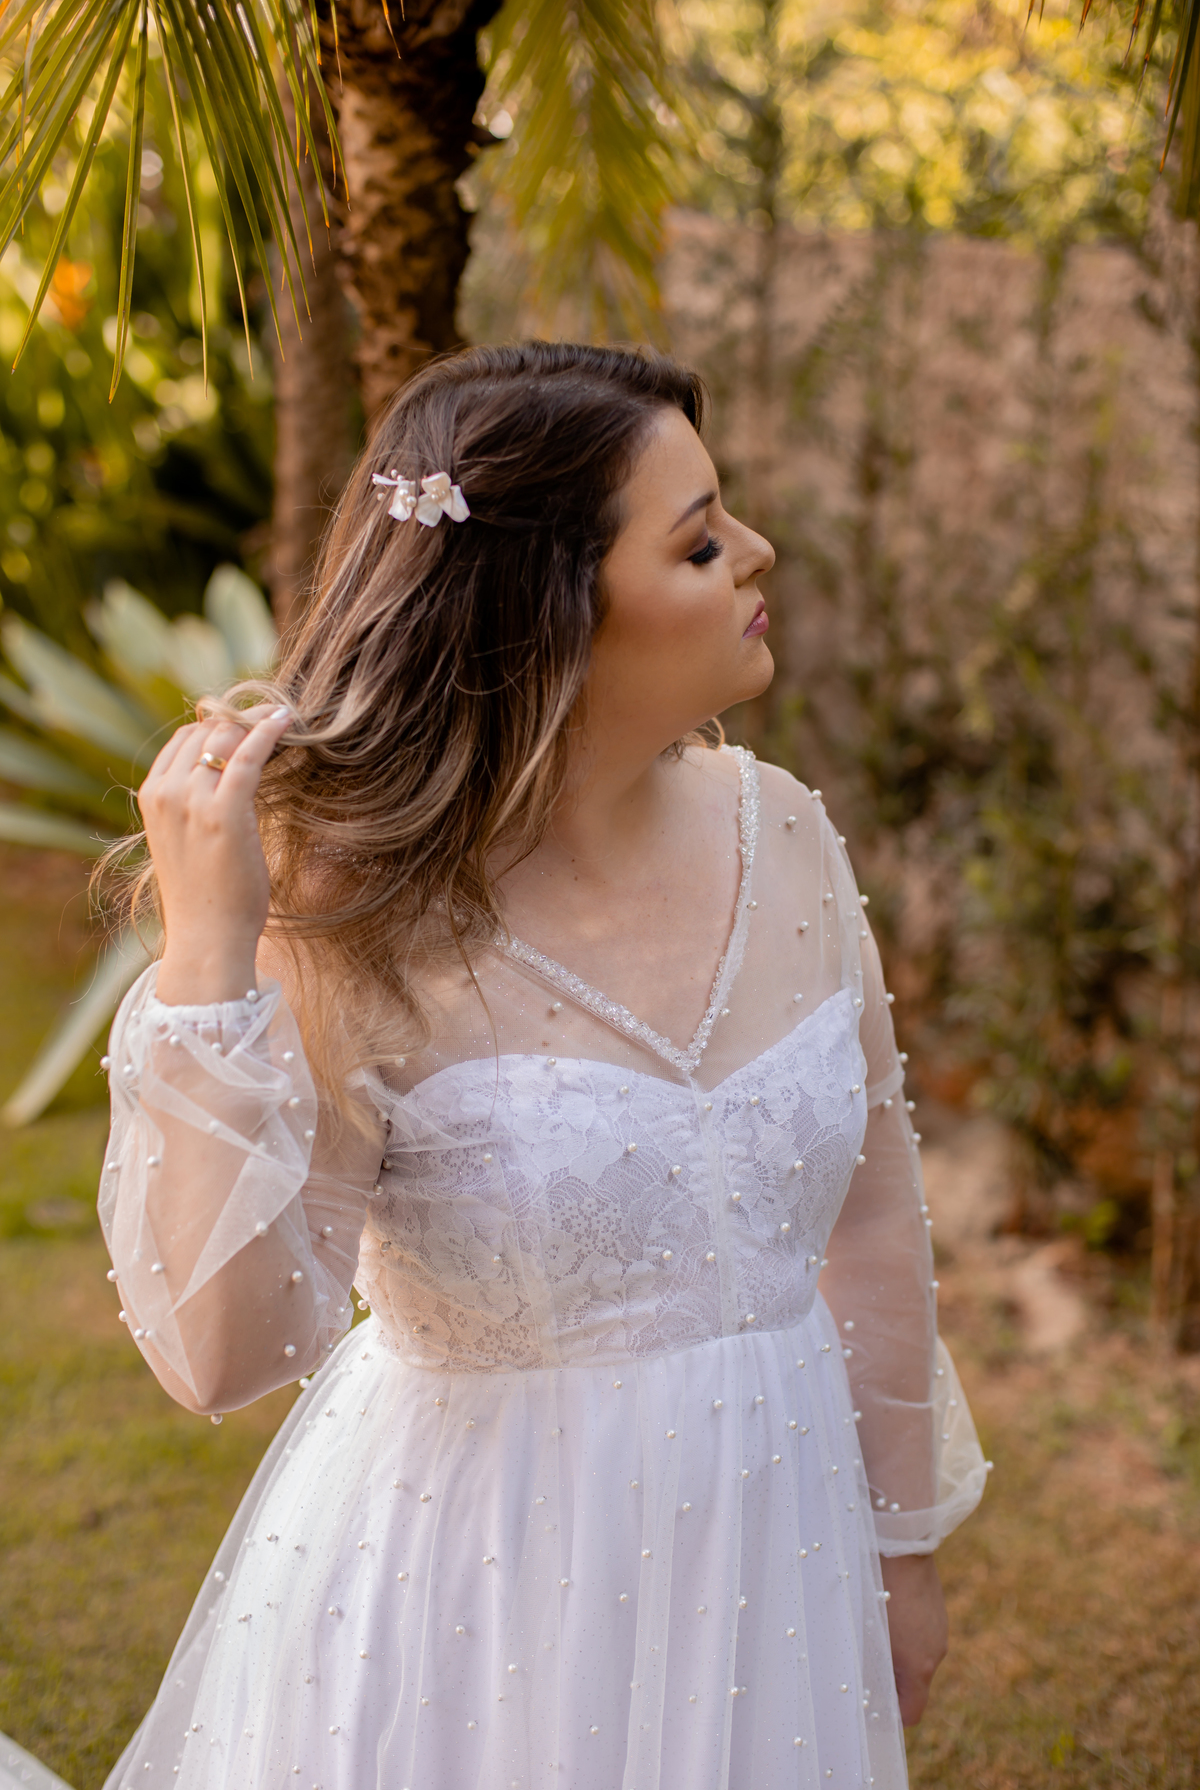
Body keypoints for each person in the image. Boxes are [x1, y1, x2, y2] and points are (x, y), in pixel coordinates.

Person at [98, 341, 987, 1790]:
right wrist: (209, 962)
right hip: (477, 1596)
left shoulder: (786, 831)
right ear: (553, 611)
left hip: (782, 1549)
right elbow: (226, 1352)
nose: (758, 551)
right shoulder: (350, 923)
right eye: (700, 539)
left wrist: (899, 1553)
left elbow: (874, 1217)